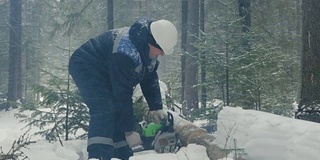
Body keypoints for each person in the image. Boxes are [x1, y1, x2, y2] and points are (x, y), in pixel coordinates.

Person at [68, 18, 178, 160]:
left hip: (106, 69)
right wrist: (129, 132)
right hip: (85, 64)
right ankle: (99, 155)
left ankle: (120, 153)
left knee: (113, 107)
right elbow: (122, 95)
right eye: (161, 50)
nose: (162, 54)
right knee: (105, 108)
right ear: (151, 41)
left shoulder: (145, 46)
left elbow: (149, 77)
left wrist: (156, 107)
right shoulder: (125, 52)